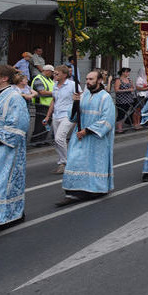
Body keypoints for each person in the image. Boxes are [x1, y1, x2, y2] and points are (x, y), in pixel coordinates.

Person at [57, 70, 115, 206]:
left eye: (91, 79)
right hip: (79, 136)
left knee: (93, 164)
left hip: (95, 138)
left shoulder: (105, 97)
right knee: (74, 161)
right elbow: (73, 117)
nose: (88, 81)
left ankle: (94, 190)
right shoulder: (83, 95)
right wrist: (75, 103)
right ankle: (73, 191)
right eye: (87, 79)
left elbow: (108, 120)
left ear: (99, 80)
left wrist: (88, 131)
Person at [0, 65, 31, 228]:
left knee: (4, 182)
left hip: (7, 148)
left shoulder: (14, 97)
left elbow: (20, 124)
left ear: (4, 78)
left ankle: (7, 215)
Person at [44, 65, 77, 175]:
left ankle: (67, 162)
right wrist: (48, 116)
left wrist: (78, 113)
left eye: (57, 73)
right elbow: (54, 100)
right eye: (54, 73)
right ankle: (62, 162)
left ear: (65, 75)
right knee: (57, 140)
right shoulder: (55, 85)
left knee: (59, 138)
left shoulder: (72, 85)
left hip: (68, 115)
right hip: (56, 115)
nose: (54, 75)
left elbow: (80, 98)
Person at [113, 67, 135, 134]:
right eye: (127, 72)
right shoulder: (118, 80)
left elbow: (132, 87)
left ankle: (121, 127)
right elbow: (116, 90)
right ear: (123, 72)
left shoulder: (129, 80)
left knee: (126, 112)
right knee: (121, 113)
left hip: (129, 99)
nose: (128, 73)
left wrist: (131, 89)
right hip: (121, 100)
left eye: (128, 72)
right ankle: (119, 129)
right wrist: (127, 90)